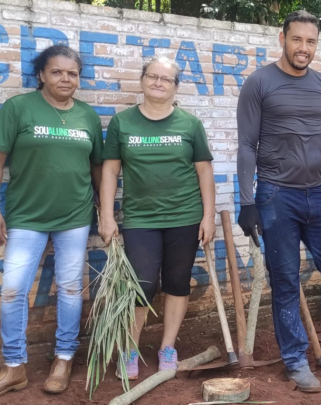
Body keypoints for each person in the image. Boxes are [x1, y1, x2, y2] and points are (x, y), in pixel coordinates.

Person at [236, 10, 321, 392]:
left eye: (311, 41)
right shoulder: (259, 83)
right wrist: (246, 200)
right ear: (282, 38)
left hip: (320, 194)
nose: (304, 48)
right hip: (276, 195)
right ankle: (296, 361)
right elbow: (247, 144)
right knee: (285, 280)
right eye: (297, 39)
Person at [0, 45, 103, 399]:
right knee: (13, 290)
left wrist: (105, 210)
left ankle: (63, 359)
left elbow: (97, 167)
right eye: (57, 72)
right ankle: (14, 367)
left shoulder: (88, 116)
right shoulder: (18, 108)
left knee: (71, 287)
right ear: (42, 75)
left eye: (72, 73)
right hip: (26, 216)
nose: (66, 78)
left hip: (74, 216)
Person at [99, 55, 216, 379]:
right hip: (140, 219)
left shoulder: (189, 124)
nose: (158, 83)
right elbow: (110, 170)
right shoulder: (123, 123)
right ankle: (130, 349)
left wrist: (208, 217)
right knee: (142, 285)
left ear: (175, 87)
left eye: (166, 79)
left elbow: (204, 171)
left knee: (178, 282)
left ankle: (168, 347)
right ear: (142, 80)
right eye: (152, 77)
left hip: (185, 216)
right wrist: (107, 216)